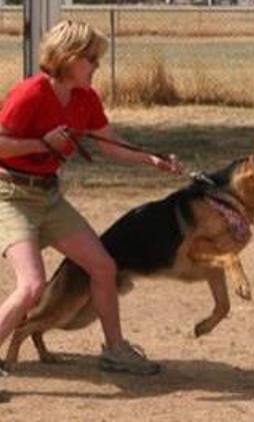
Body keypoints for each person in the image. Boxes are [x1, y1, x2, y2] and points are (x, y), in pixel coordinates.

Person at [0, 20, 182, 376]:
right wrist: (42, 144)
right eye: (92, 59)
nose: (97, 66)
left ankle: (115, 351)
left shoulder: (85, 99)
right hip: (10, 195)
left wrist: (151, 158)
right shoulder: (31, 93)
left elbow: (108, 142)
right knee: (33, 285)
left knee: (103, 266)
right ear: (68, 58)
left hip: (48, 196)